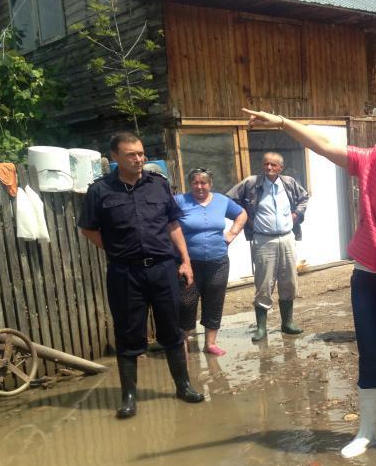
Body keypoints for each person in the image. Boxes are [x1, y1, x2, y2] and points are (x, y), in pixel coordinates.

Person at [242, 102, 376, 460]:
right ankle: (366, 432)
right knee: (371, 355)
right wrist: (281, 122)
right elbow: (323, 145)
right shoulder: (374, 160)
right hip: (368, 277)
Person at [78, 132, 205, 419]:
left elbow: (173, 224)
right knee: (128, 332)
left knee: (172, 329)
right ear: (115, 157)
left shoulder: (158, 185)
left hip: (162, 269)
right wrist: (116, 250)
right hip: (125, 273)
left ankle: (183, 386)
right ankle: (129, 397)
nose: (139, 159)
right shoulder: (100, 191)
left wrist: (185, 261)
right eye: (131, 154)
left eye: (141, 153)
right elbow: (88, 228)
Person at [228, 153, 309, 342]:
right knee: (264, 283)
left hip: (287, 238)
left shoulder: (288, 183)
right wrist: (246, 217)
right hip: (263, 240)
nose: (269, 168)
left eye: (273, 165)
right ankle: (261, 328)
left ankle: (287, 323)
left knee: (289, 281)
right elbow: (230, 199)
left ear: (281, 167)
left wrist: (296, 214)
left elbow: (304, 197)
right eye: (266, 164)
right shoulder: (252, 183)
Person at [175, 168, 248, 355]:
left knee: (214, 301)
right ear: (190, 184)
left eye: (204, 183)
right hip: (189, 263)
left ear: (210, 184)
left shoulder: (222, 201)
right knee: (186, 303)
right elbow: (168, 225)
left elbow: (242, 214)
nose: (200, 186)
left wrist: (232, 233)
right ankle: (182, 343)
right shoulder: (179, 201)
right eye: (196, 183)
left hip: (218, 262)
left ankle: (210, 344)